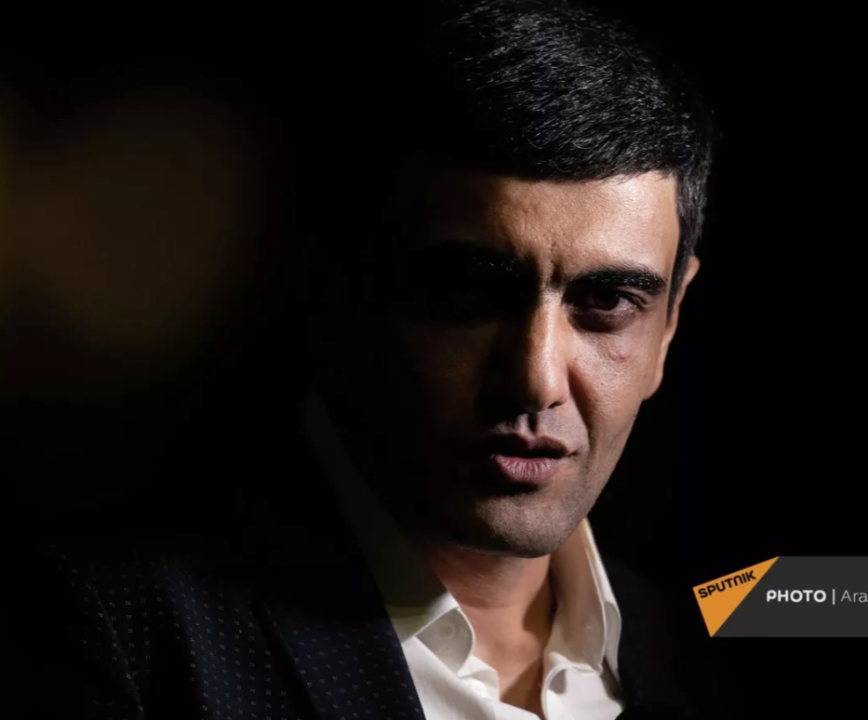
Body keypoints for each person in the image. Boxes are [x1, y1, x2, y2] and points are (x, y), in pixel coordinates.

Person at [11, 2, 736, 718]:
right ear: (342, 287)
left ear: (669, 325)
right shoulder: (109, 624)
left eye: (607, 300)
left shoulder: (725, 641)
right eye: (468, 291)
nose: (535, 379)